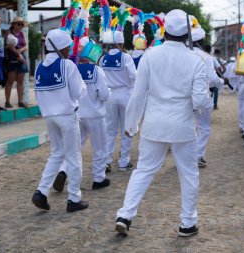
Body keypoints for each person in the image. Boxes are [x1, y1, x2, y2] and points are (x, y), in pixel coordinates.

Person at [115, 9, 210, 237]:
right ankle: (187, 223)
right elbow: (200, 101)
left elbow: (138, 94)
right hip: (183, 128)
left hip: (153, 125)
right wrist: (205, 96)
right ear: (188, 32)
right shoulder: (196, 60)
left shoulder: (150, 54)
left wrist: (131, 125)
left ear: (164, 30)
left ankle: (125, 215)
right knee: (188, 174)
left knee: (143, 171)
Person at [31, 29, 88, 213]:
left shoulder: (39, 66)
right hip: (67, 116)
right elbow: (79, 92)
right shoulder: (67, 65)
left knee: (56, 154)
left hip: (49, 116)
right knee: (73, 156)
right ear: (60, 47)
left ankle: (41, 191)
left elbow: (38, 93)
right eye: (68, 46)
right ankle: (74, 199)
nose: (70, 49)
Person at [52, 37, 111, 192]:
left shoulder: (73, 69)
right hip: (96, 116)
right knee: (99, 148)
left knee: (75, 148)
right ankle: (98, 178)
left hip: (78, 115)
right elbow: (104, 95)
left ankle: (63, 171)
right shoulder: (97, 70)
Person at [99, 30, 136, 171]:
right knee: (127, 129)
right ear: (121, 43)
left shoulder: (103, 59)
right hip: (126, 94)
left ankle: (106, 161)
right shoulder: (126, 57)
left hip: (110, 95)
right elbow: (134, 76)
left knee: (110, 131)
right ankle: (123, 162)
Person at [191, 26, 224, 167]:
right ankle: (198, 155)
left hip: (186, 97)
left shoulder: (185, 54)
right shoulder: (206, 57)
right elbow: (212, 78)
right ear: (200, 41)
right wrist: (222, 82)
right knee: (204, 128)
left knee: (189, 127)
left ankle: (188, 156)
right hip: (202, 97)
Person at [4, 17, 29, 108]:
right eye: (19, 24)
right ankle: (7, 101)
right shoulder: (9, 33)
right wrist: (18, 54)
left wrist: (21, 50)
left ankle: (20, 101)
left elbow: (26, 45)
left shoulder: (22, 33)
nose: (21, 26)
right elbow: (10, 46)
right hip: (13, 58)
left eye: (22, 24)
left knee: (20, 81)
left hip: (21, 58)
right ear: (13, 24)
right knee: (10, 80)